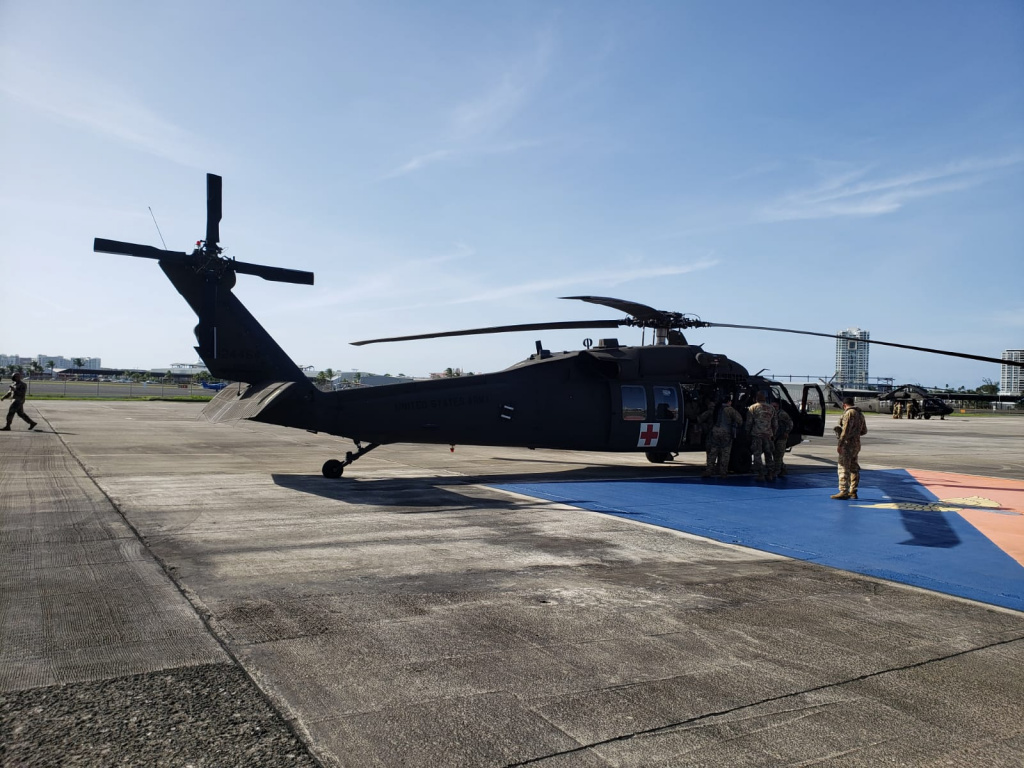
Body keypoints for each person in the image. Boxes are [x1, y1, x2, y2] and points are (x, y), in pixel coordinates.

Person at [832, 396, 867, 500]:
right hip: (856, 444)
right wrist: (855, 434)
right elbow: (864, 431)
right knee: (854, 468)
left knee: (843, 466)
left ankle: (843, 491)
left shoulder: (849, 413)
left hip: (847, 445)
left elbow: (845, 430)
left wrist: (840, 443)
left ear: (844, 405)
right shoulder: (860, 414)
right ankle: (853, 491)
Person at [699, 395, 743, 479]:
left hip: (715, 432)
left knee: (713, 451)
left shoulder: (716, 409)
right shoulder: (730, 410)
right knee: (725, 453)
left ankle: (709, 470)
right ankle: (723, 472)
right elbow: (740, 420)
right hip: (726, 433)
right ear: (728, 402)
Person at [745, 391, 778, 481]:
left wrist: (747, 433)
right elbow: (775, 424)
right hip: (768, 435)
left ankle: (760, 474)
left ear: (756, 399)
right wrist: (774, 434)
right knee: (768, 454)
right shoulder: (771, 408)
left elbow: (749, 423)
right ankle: (770, 473)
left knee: (757, 455)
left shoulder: (753, 407)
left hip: (757, 435)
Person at [771, 400, 794, 477]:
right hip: (773, 436)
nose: (774, 408)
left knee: (778, 454)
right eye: (772, 406)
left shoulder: (782, 414)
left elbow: (790, 423)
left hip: (781, 437)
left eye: (775, 406)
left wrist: (786, 432)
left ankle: (775, 471)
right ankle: (783, 468)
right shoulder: (770, 414)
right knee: (775, 455)